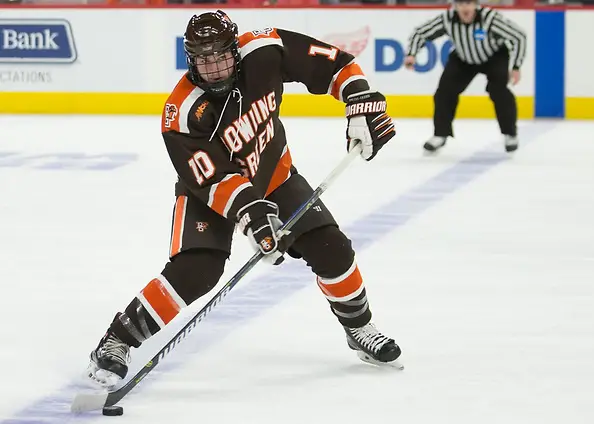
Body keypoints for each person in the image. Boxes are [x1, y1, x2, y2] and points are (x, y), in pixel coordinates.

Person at [85, 10, 401, 389]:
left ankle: (360, 328)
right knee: (197, 272)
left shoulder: (265, 50)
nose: (214, 68)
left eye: (220, 56)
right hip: (208, 194)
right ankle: (117, 340)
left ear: (235, 50)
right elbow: (212, 178)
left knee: (333, 249)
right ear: (190, 59)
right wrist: (253, 216)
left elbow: (335, 64)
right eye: (203, 60)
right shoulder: (182, 112)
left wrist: (359, 101)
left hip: (274, 176)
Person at [405, 0, 527, 153]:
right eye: (460, 4)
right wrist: (411, 54)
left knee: (499, 91)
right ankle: (440, 134)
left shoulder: (489, 18)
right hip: (464, 59)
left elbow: (519, 36)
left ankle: (510, 133)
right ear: (455, 6)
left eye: (468, 3)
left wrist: (516, 66)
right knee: (444, 92)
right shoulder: (448, 19)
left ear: (476, 5)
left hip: (494, 56)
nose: (465, 8)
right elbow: (421, 33)